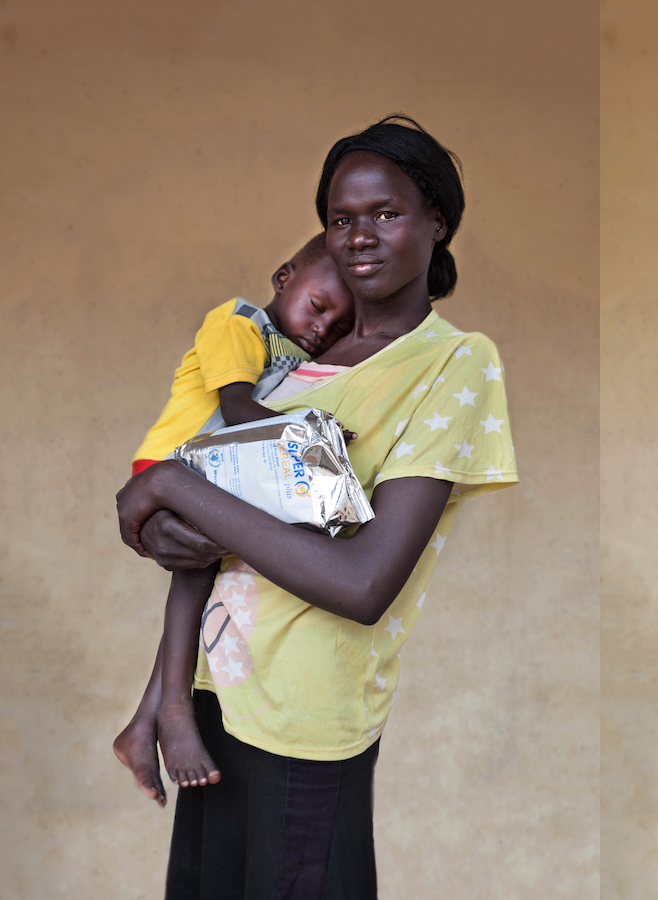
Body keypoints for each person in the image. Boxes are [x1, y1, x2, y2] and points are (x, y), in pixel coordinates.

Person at [114, 116, 517, 898]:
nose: (358, 237)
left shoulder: (455, 362)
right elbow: (213, 535)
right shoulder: (291, 358)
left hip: (306, 721)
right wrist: (163, 525)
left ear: (438, 222)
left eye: (386, 215)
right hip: (209, 698)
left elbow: (363, 585)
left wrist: (170, 488)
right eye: (340, 219)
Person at [114, 236, 355, 801]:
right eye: (320, 308)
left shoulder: (297, 355)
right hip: (175, 464)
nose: (323, 330)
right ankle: (174, 709)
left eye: (339, 327)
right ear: (283, 277)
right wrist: (306, 436)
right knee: (195, 573)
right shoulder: (237, 322)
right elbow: (237, 408)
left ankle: (143, 722)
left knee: (200, 577)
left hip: (216, 472)